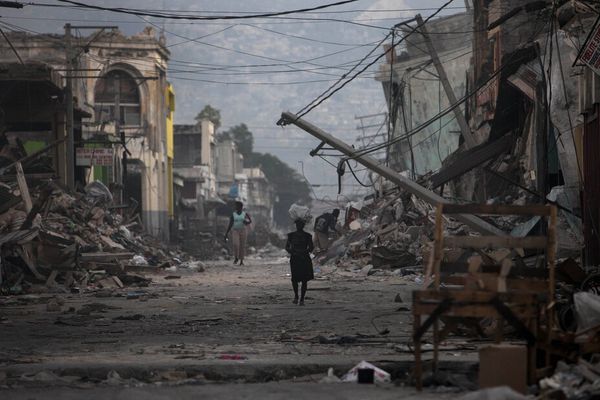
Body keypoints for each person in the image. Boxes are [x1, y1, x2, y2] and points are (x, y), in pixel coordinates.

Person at [285, 219, 314, 306]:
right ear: (296, 225)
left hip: (303, 258)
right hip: (296, 258)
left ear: (303, 225)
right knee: (294, 279)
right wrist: (293, 252)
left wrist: (303, 252)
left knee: (304, 280)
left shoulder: (308, 236)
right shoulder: (291, 235)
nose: (299, 226)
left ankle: (301, 299)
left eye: (301, 224)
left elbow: (311, 247)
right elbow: (287, 247)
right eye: (298, 224)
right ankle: (296, 296)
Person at [224, 201, 252, 265]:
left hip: (243, 230)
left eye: (236, 206)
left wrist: (246, 222)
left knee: (242, 246)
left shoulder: (245, 214)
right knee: (235, 244)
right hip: (235, 231)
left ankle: (241, 260)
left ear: (240, 207)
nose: (235, 207)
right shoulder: (233, 214)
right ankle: (236, 257)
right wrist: (226, 233)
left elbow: (250, 221)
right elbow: (230, 224)